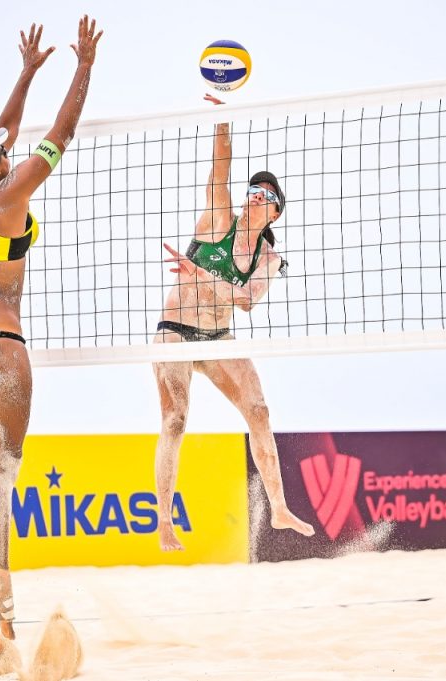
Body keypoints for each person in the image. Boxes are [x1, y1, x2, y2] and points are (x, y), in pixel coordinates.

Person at [0, 17, 102, 654]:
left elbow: (0, 133)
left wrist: (27, 73)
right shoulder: (11, 195)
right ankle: (0, 603)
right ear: (0, 165)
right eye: (4, 151)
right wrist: (83, 67)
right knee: (3, 476)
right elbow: (61, 134)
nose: (9, 148)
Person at [154, 94, 315, 551]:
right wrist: (222, 120)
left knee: (259, 411)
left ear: (275, 211)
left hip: (219, 335)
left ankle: (279, 507)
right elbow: (220, 168)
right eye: (253, 191)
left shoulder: (268, 257)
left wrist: (200, 275)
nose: (255, 196)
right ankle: (164, 520)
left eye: (265, 195)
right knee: (175, 419)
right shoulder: (218, 218)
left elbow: (245, 301)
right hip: (175, 331)